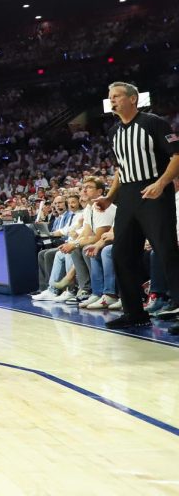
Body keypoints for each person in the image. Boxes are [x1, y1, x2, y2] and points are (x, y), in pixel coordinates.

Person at [95, 82, 179, 331]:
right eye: (110, 97)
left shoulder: (153, 122)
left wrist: (162, 183)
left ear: (133, 99)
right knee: (121, 253)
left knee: (166, 251)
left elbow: (176, 155)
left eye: (117, 96)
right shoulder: (113, 133)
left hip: (154, 192)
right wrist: (110, 197)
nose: (112, 101)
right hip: (128, 196)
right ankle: (134, 312)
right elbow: (121, 169)